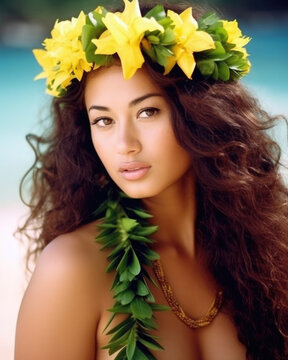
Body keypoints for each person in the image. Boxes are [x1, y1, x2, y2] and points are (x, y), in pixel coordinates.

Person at [14, 0, 288, 359]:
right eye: (104, 121)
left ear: (200, 115)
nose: (125, 145)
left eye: (147, 111)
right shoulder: (72, 268)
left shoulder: (262, 256)